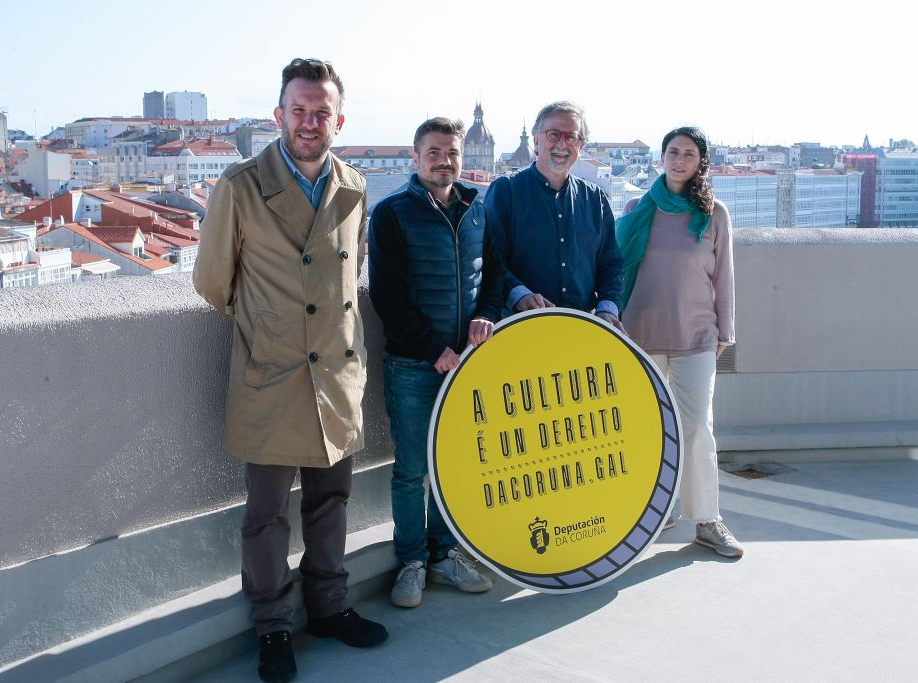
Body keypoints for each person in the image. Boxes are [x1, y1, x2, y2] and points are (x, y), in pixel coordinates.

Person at [193, 57, 387, 683]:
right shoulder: (241, 186)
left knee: (332, 499)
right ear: (279, 116)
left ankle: (330, 606)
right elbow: (212, 281)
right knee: (267, 512)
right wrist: (270, 330)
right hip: (271, 374)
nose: (309, 122)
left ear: (339, 119)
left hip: (334, 372)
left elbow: (348, 278)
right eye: (298, 111)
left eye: (320, 112)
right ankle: (274, 626)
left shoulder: (354, 186)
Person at [368, 117, 501, 608]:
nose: (444, 159)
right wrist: (433, 349)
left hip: (467, 363)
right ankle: (412, 562)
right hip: (413, 363)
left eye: (451, 152)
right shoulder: (391, 214)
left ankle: (444, 556)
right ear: (416, 156)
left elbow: (493, 274)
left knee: (454, 465)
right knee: (410, 468)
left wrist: (487, 314)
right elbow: (388, 295)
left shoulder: (477, 208)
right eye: (434, 151)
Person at [616, 126, 743, 558]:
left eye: (688, 153)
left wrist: (725, 331)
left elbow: (723, 276)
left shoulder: (714, 213)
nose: (678, 159)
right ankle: (656, 510)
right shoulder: (637, 208)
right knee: (647, 431)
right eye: (672, 152)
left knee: (695, 431)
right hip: (639, 335)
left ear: (700, 162)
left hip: (696, 337)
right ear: (662, 157)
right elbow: (617, 270)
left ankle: (707, 520)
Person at [484, 100, 624, 332]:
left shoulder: (595, 198)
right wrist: (519, 294)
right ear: (536, 139)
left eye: (571, 137)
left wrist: (607, 309)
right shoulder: (505, 191)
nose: (562, 144)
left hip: (580, 330)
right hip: (519, 328)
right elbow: (491, 257)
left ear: (581, 145)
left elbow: (611, 264)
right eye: (553, 135)